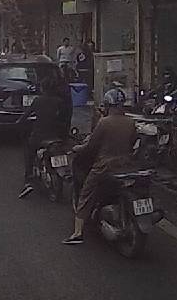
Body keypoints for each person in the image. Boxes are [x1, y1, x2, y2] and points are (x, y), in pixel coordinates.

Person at [65, 87, 137, 245]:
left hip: (105, 166)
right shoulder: (130, 122)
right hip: (126, 165)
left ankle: (77, 232)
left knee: (86, 193)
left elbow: (91, 146)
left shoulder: (104, 122)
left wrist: (77, 148)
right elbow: (132, 142)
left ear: (108, 105)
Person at [19, 75, 71, 198]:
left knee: (29, 152)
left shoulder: (38, 101)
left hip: (39, 136)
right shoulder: (59, 102)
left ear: (42, 88)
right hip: (57, 136)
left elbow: (25, 116)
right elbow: (65, 118)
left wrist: (18, 122)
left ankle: (28, 179)